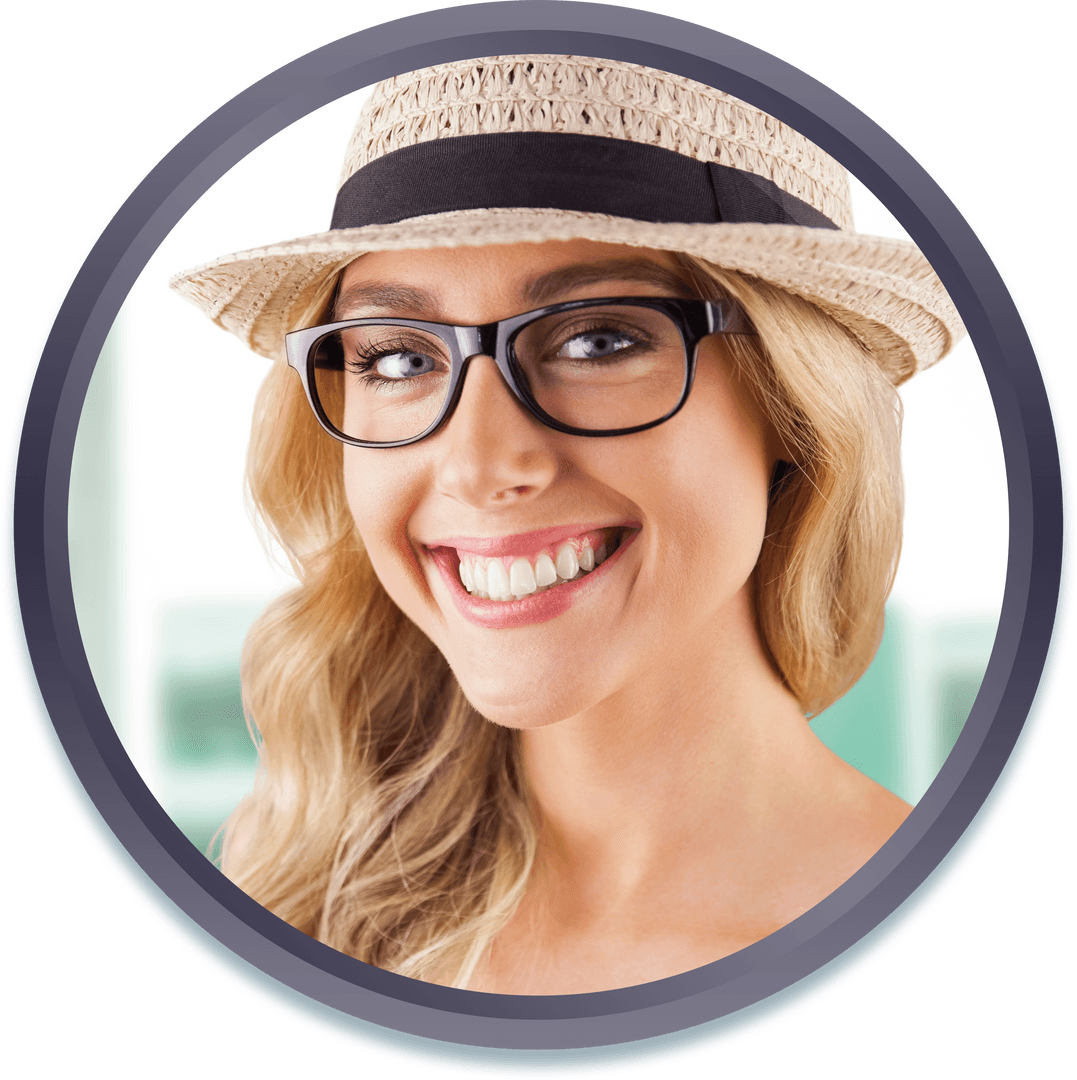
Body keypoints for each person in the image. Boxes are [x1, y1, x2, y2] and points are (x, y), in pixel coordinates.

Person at [172, 55, 963, 994]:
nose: (478, 463)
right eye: (394, 358)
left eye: (597, 339)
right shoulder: (296, 898)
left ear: (792, 406)